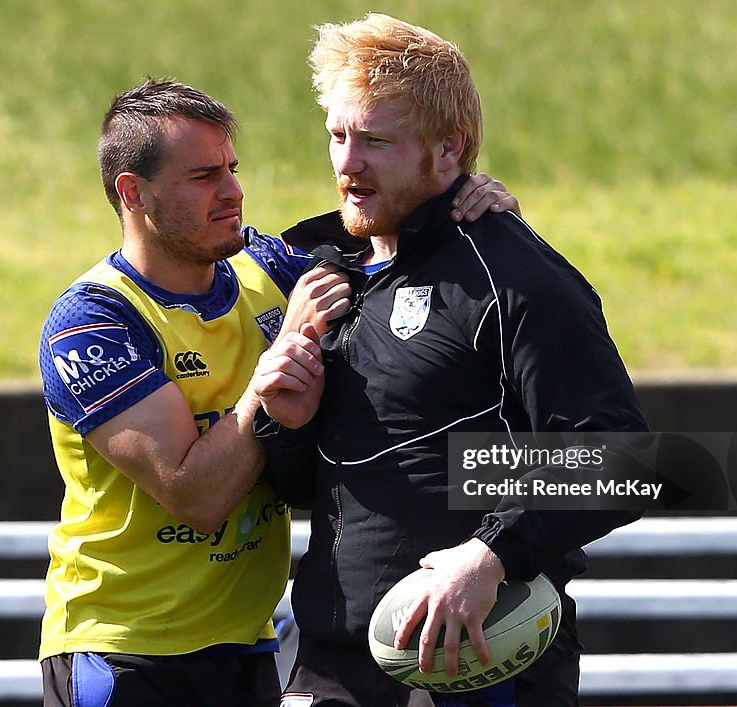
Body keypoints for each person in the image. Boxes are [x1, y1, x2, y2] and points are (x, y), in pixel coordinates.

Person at [37, 77, 519, 706]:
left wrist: (470, 203)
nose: (234, 192)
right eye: (203, 177)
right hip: (126, 651)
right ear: (134, 192)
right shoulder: (93, 322)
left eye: (232, 168)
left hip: (249, 642)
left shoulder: (268, 266)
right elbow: (198, 496)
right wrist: (272, 374)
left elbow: (391, 238)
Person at [252, 14, 649, 707]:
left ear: (449, 148)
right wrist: (283, 422)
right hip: (331, 660)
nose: (347, 164)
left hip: (484, 664)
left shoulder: (516, 275)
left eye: (375, 140)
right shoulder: (321, 276)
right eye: (338, 136)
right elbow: (312, 487)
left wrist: (488, 553)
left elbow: (617, 457)